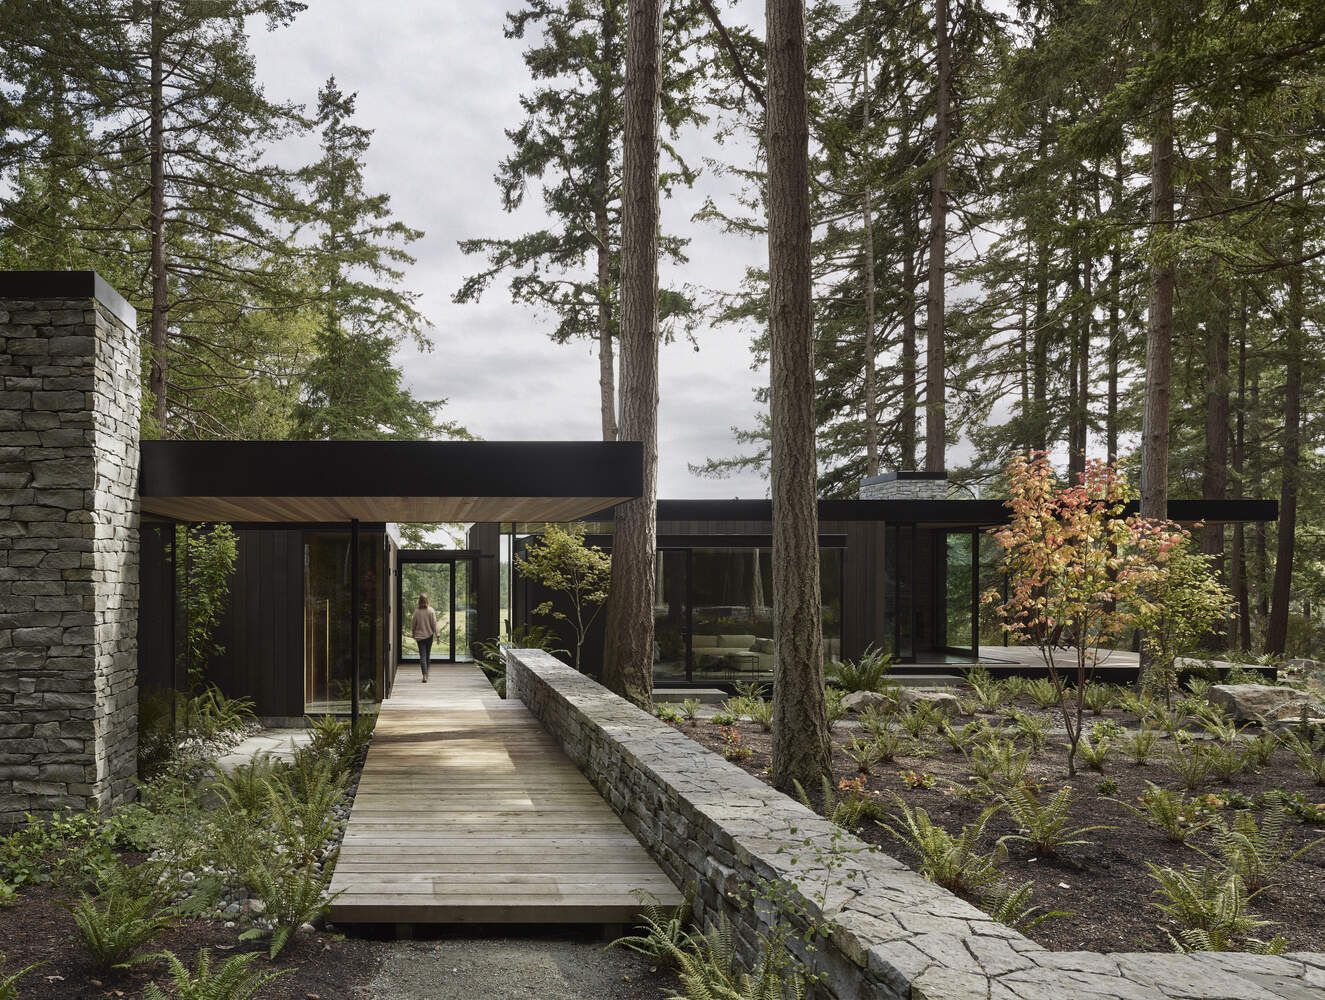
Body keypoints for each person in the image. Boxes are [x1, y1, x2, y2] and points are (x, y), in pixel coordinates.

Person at [412, 595, 439, 681]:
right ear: (427, 600)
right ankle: (426, 674)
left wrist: (413, 633)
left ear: (419, 601)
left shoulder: (416, 611)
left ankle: (424, 675)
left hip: (419, 637)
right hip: (429, 636)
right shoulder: (431, 610)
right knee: (427, 656)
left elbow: (413, 624)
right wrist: (437, 635)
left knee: (422, 656)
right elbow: (434, 624)